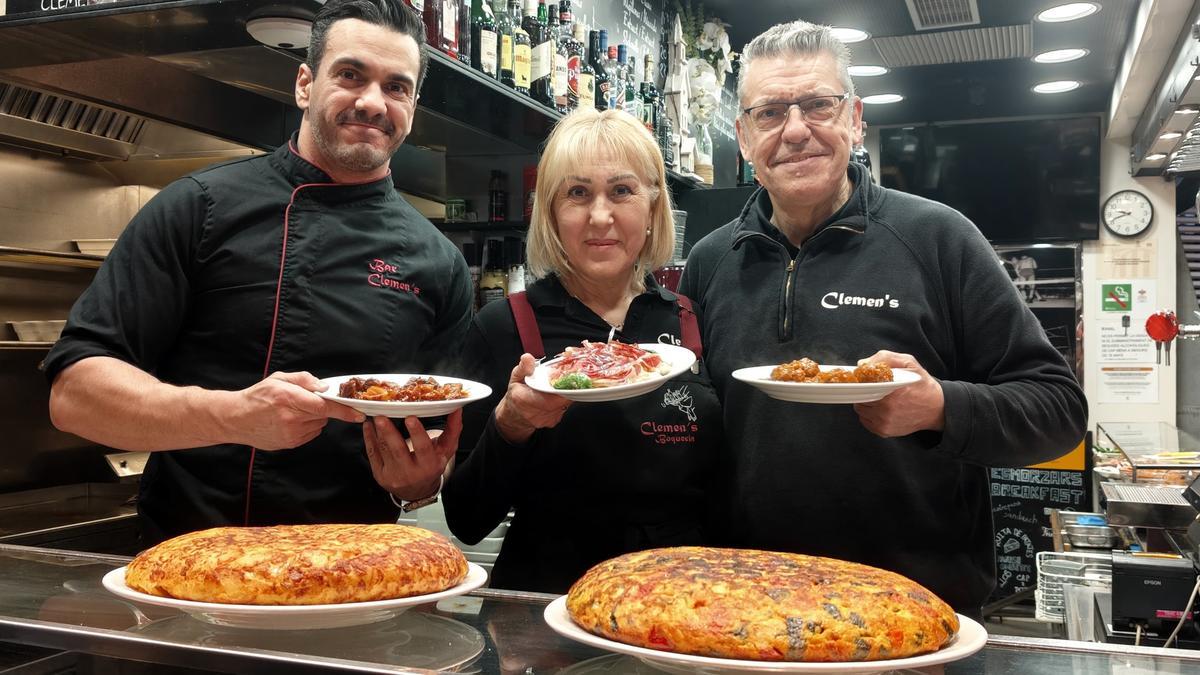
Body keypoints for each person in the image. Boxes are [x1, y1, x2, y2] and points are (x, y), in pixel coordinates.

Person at [678, 20, 1087, 617]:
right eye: (769, 113)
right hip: (749, 608)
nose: (795, 131)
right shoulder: (711, 261)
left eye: (818, 104)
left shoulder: (940, 238)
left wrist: (940, 407)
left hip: (915, 610)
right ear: (742, 137)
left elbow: (1059, 409)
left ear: (854, 119)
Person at [43, 0, 473, 545]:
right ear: (303, 84)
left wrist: (417, 485)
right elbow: (74, 397)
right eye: (350, 75)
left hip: (352, 577)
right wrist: (234, 416)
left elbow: (434, 450)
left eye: (396, 87)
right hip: (189, 568)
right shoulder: (197, 208)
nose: (372, 102)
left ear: (412, 106)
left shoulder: (439, 263)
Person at [365, 108, 724, 593]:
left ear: (654, 206)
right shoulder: (504, 327)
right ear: (550, 212)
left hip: (686, 595)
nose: (601, 215)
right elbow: (468, 519)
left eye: (622, 190)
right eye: (577, 193)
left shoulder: (691, 318)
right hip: (547, 600)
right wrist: (511, 428)